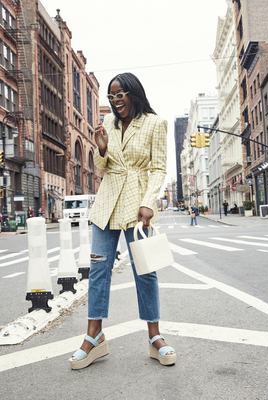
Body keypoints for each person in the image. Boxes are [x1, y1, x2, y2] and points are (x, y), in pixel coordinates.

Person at [69, 72, 176, 369]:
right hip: (107, 203)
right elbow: (103, 167)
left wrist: (148, 203)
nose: (116, 102)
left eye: (120, 95)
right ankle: (94, 337)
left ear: (133, 93)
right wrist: (101, 148)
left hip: (137, 202)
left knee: (145, 269)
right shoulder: (108, 125)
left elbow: (158, 168)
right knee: (98, 268)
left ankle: (155, 336)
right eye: (111, 97)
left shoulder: (155, 123)